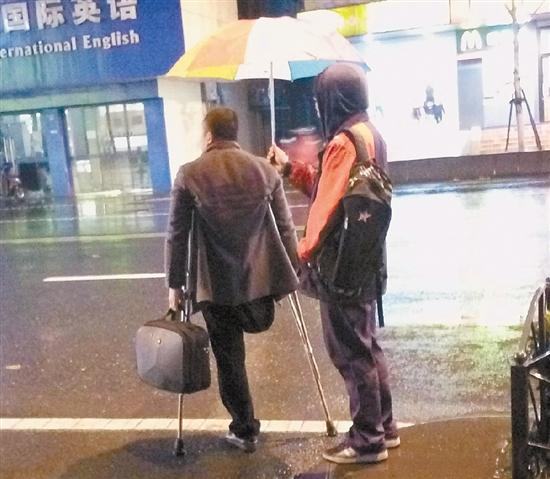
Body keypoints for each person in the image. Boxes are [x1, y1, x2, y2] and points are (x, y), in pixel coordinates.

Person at [269, 63, 398, 465]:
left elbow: (325, 209)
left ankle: (367, 440)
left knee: (351, 353)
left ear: (334, 98)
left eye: (321, 98)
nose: (318, 106)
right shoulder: (370, 133)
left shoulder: (344, 142)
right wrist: (289, 168)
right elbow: (332, 188)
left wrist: (301, 251)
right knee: (367, 346)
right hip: (366, 258)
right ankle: (385, 426)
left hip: (341, 265)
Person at [165, 107, 299, 453]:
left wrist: (175, 285)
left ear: (209, 134)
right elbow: (285, 227)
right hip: (259, 283)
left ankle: (244, 428)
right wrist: (294, 271)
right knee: (247, 332)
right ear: (235, 133)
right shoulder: (265, 171)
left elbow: (177, 235)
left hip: (216, 286)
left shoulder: (189, 174)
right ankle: (244, 426)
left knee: (229, 358)